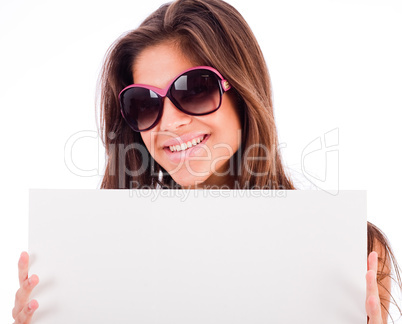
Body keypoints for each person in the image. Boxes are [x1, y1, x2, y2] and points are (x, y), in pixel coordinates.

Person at [12, 0, 401, 323]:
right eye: (144, 104)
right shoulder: (88, 257)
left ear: (242, 93)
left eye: (195, 89)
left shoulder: (354, 248)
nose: (170, 122)